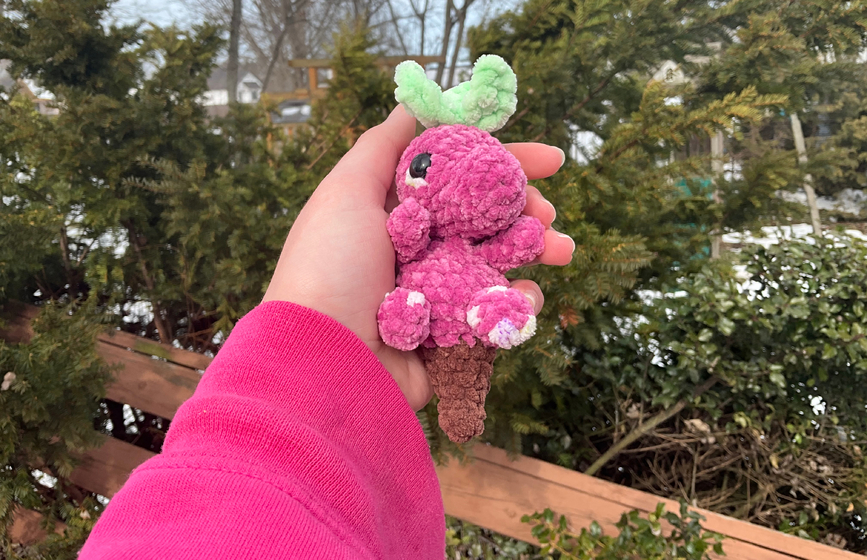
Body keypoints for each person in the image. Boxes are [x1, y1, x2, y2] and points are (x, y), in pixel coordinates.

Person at [77, 106, 574, 559]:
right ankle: (478, 321)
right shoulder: (414, 225)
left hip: (462, 317)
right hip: (417, 312)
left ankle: (491, 320)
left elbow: (510, 246)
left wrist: (518, 240)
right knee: (412, 314)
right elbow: (407, 238)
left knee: (488, 316)